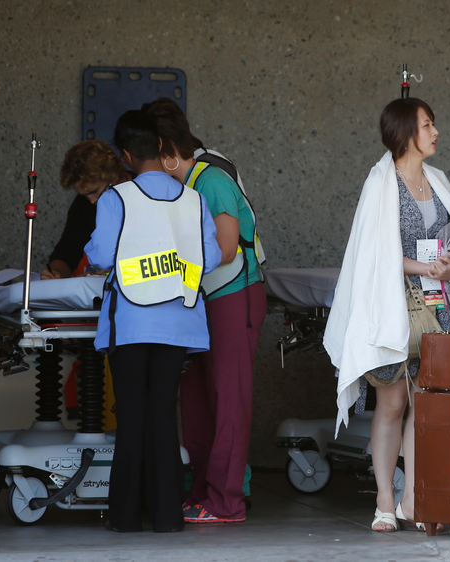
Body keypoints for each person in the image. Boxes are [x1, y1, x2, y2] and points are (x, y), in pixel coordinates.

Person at [324, 98, 450, 532]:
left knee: (426, 404)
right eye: (427, 124)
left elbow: (449, 238)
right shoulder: (381, 183)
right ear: (404, 132)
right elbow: (375, 252)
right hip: (394, 304)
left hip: (438, 305)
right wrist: (425, 267)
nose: (435, 132)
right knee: (392, 402)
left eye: (433, 123)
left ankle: (413, 497)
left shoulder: (438, 180)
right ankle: (383, 501)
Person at [85, 110, 222, 532]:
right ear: (161, 148)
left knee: (131, 415)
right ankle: (167, 516)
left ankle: (125, 517)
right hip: (178, 322)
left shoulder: (116, 198)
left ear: (126, 154)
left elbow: (101, 256)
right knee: (163, 415)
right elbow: (212, 257)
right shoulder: (192, 199)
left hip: (130, 322)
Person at [145, 98, 266, 524]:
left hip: (234, 296)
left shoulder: (211, 179)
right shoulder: (184, 183)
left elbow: (228, 247)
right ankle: (200, 491)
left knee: (228, 400)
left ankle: (226, 501)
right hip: (199, 301)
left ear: (167, 153)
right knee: (196, 402)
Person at [42, 140, 130, 279]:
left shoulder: (142, 194)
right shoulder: (83, 205)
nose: (92, 200)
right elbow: (67, 251)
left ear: (113, 175)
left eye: (95, 192)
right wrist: (55, 273)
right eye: (84, 195)